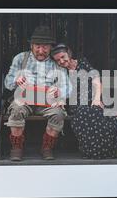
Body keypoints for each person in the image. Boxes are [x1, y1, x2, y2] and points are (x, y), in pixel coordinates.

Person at [4, 25, 70, 161]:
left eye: (45, 47)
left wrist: (59, 91)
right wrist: (16, 80)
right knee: (16, 110)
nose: (41, 50)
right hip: (24, 99)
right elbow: (8, 83)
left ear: (51, 47)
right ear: (31, 45)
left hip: (47, 102)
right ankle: (17, 147)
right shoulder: (20, 58)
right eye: (37, 46)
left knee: (58, 114)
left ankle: (47, 147)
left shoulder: (56, 62)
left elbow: (67, 87)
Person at [50, 44, 117, 159]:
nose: (61, 61)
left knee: (104, 115)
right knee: (84, 113)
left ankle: (107, 151)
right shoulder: (61, 72)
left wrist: (97, 98)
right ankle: (92, 151)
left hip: (95, 99)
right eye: (58, 60)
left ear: (69, 54)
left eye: (63, 57)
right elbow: (60, 89)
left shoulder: (82, 63)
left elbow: (97, 81)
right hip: (77, 105)